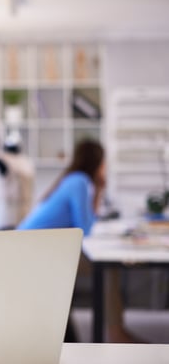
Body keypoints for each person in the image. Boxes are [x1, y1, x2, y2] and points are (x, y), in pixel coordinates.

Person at [17, 138, 139, 343]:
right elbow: (86, 228)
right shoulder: (80, 181)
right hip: (32, 251)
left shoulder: (73, 179)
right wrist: (99, 190)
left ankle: (112, 330)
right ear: (98, 163)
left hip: (37, 247)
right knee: (106, 267)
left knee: (103, 265)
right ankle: (115, 331)